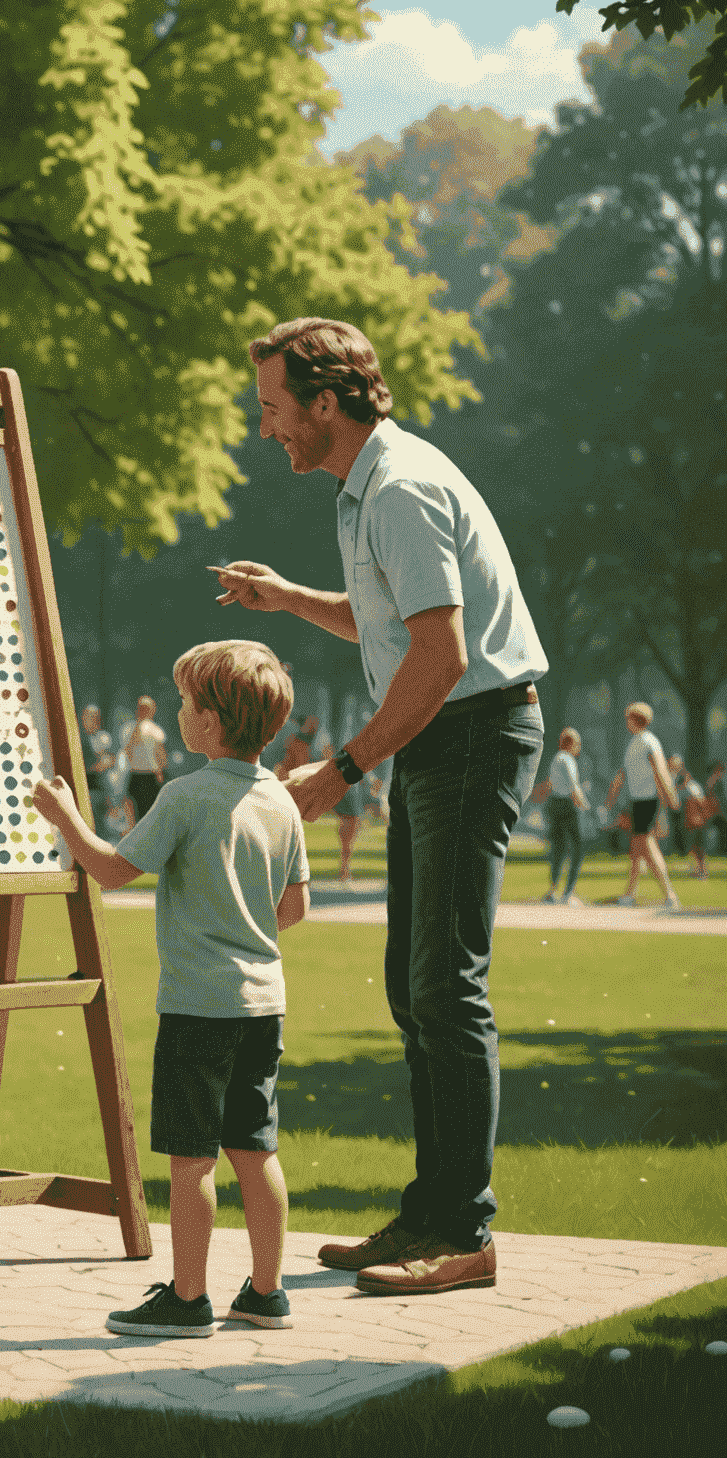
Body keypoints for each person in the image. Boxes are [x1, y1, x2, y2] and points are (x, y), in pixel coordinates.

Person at [214, 317, 545, 1296]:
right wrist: (290, 601)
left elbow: (440, 658)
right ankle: (430, 1215)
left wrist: (340, 772)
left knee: (447, 990)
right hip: (445, 735)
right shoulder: (365, 490)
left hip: (473, 732)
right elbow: (386, 618)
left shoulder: (397, 490)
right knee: (416, 987)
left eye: (274, 408)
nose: (266, 427)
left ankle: (463, 1233)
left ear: (326, 403)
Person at [33, 639, 308, 1336]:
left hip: (197, 1006)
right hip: (263, 1003)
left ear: (209, 723)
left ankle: (188, 1300)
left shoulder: (185, 796)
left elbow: (114, 870)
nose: (181, 711)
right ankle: (266, 1293)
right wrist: (246, 927)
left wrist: (66, 818)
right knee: (256, 1149)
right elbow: (294, 908)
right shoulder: (283, 801)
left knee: (192, 1158)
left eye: (187, 702)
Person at [603, 703, 681, 908]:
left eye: (628, 718)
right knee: (637, 851)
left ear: (634, 719)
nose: (626, 721)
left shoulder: (648, 741)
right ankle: (629, 894)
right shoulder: (634, 743)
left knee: (645, 846)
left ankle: (669, 895)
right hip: (638, 801)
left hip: (648, 801)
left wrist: (671, 796)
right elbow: (622, 775)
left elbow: (660, 770)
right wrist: (611, 799)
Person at [530, 728, 589, 905]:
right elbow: (573, 786)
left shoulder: (556, 758)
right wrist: (586, 806)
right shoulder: (567, 759)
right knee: (577, 848)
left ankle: (553, 891)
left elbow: (549, 784)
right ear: (571, 743)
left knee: (558, 848)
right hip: (567, 806)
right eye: (577, 743)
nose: (579, 747)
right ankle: (568, 893)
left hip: (554, 804)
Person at [318, 737, 368, 886]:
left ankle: (345, 869)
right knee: (349, 829)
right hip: (346, 789)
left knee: (350, 831)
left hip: (350, 788)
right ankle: (345, 869)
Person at [121, 694, 167, 826]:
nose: (144, 711)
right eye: (141, 708)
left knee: (151, 812)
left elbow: (161, 755)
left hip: (150, 776)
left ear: (153, 710)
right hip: (135, 775)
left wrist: (160, 772)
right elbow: (128, 752)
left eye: (146, 708)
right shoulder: (129, 729)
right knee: (134, 813)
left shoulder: (156, 730)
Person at [81, 704, 116, 835]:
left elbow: (108, 761)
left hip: (100, 784)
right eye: (86, 718)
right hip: (87, 782)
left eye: (90, 718)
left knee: (99, 818)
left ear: (96, 719)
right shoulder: (81, 738)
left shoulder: (103, 737)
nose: (87, 721)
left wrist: (95, 766)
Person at [676, 762, 710, 880]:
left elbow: (702, 803)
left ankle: (703, 871)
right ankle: (698, 869)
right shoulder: (682, 788)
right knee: (693, 847)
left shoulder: (693, 787)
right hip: (689, 822)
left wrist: (702, 817)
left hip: (697, 821)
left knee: (699, 847)